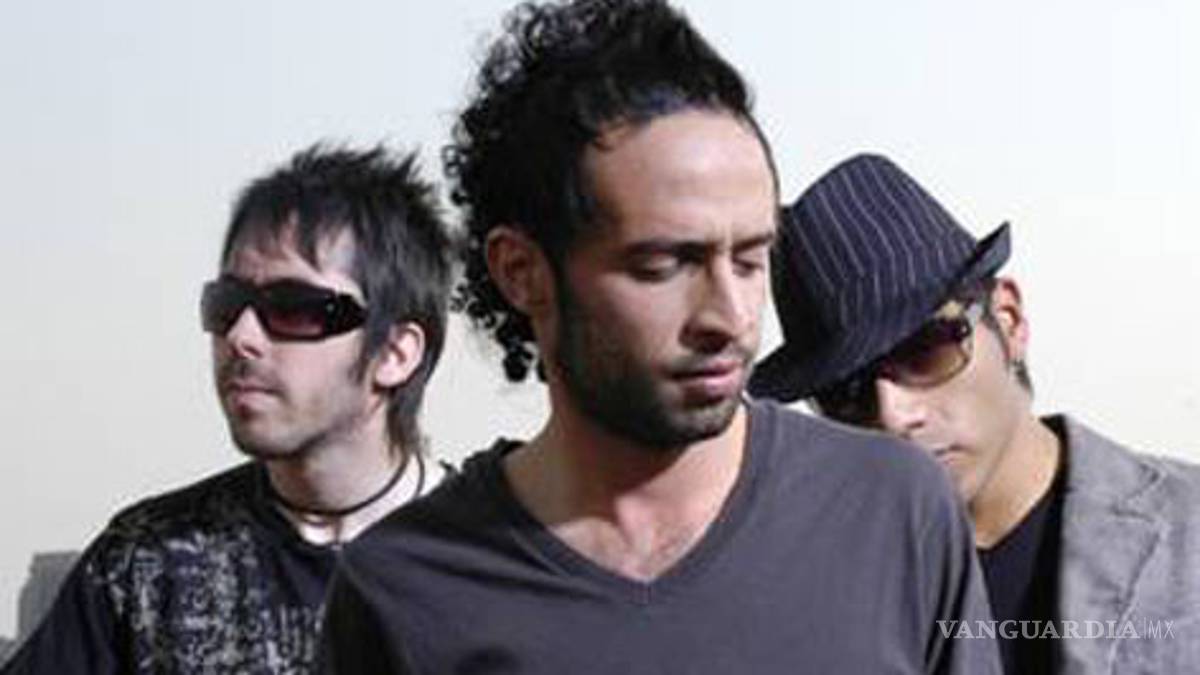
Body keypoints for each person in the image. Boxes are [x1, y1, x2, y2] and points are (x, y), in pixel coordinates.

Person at [319, 2, 1000, 673]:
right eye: (664, 265)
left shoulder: (897, 509)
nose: (729, 316)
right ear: (521, 272)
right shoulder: (403, 590)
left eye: (750, 259)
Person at [2, 145, 455, 674]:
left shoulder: (491, 563)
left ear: (396, 352)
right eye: (226, 306)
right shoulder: (147, 562)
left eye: (293, 308)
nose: (241, 337)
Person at [749, 152, 1200, 674]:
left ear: (1008, 320)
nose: (893, 414)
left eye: (924, 350)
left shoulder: (1187, 532)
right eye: (845, 391)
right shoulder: (803, 591)